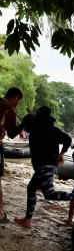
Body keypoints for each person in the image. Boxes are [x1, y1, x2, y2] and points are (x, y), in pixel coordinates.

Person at [14, 106, 74, 228]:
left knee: (48, 193)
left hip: (43, 165)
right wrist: (62, 153)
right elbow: (68, 139)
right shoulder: (53, 130)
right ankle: (27, 219)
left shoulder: (35, 126)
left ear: (38, 116)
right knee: (32, 188)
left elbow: (26, 122)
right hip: (50, 165)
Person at [0, 88, 24, 223]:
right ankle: (0, 214)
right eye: (19, 101)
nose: (18, 104)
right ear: (15, 97)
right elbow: (12, 134)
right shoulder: (9, 109)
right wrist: (24, 123)